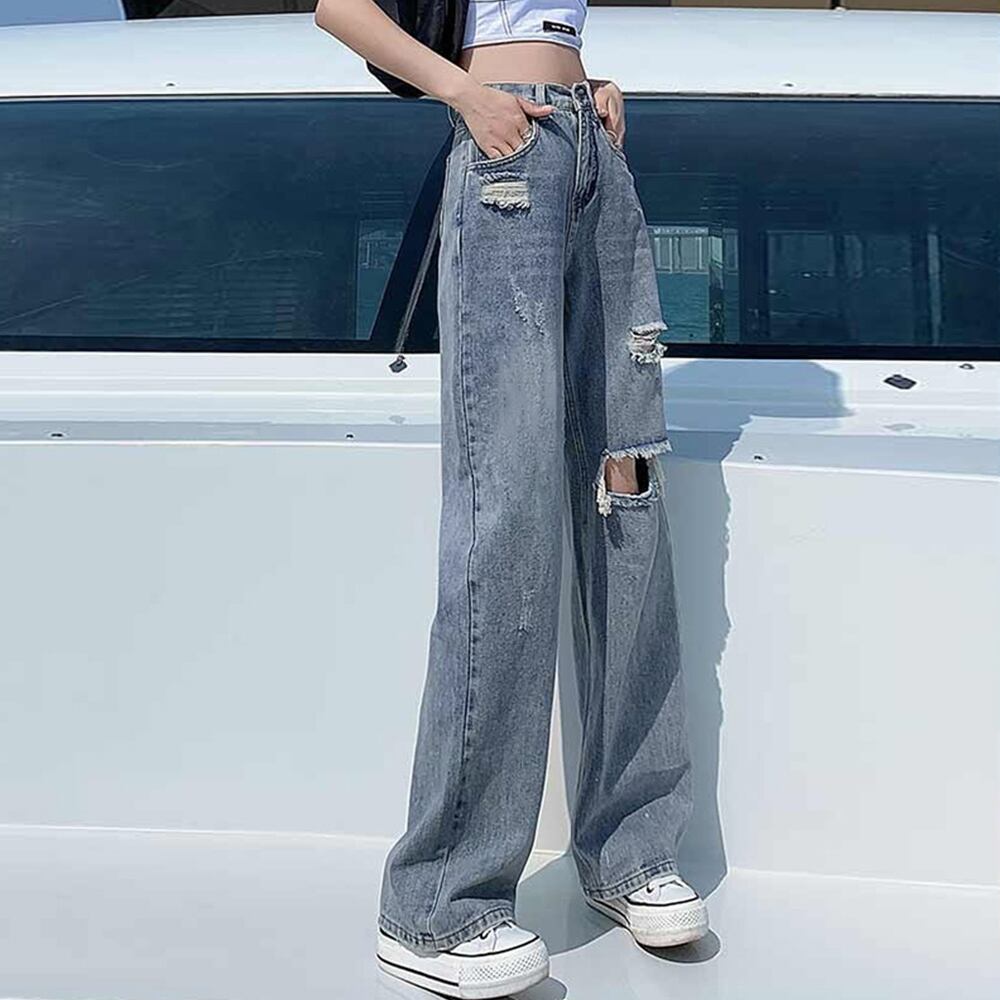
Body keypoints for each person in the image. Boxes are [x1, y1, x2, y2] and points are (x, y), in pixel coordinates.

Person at [314, 1, 709, 995]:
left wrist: (588, 85)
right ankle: (437, 903)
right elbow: (338, 6)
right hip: (507, 159)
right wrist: (464, 93)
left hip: (591, 153)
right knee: (511, 517)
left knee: (628, 498)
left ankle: (630, 849)